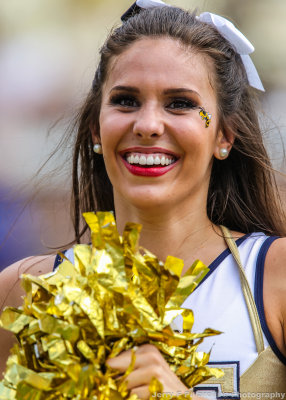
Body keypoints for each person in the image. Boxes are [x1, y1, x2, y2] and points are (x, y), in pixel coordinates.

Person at [1, 1, 286, 398]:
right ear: (96, 129)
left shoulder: (276, 277)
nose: (148, 125)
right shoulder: (24, 291)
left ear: (224, 135)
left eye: (181, 104)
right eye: (126, 101)